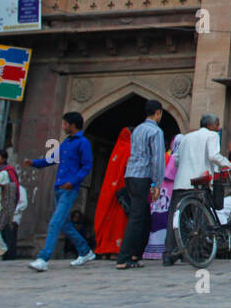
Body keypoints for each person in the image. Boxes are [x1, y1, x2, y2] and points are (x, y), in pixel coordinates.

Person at [24, 112, 95, 271]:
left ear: (72, 124)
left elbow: (87, 166)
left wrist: (74, 181)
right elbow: (51, 159)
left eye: (65, 124)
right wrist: (34, 163)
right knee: (64, 224)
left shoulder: (83, 142)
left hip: (69, 189)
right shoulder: (66, 143)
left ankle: (43, 258)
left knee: (55, 222)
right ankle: (85, 250)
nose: (63, 127)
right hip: (59, 187)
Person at [167, 115, 231, 265]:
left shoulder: (186, 138)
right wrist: (228, 164)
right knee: (200, 218)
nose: (218, 128)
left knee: (175, 218)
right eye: (217, 124)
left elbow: (176, 160)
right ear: (211, 125)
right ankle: (197, 251)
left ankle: (169, 253)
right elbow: (213, 155)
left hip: (181, 182)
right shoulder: (212, 135)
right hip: (198, 183)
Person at [116, 100, 165, 270]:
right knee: (137, 218)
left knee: (144, 217)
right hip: (142, 176)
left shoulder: (137, 130)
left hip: (131, 174)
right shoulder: (155, 131)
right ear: (158, 113)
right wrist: (157, 183)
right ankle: (123, 258)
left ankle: (135, 254)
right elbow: (157, 159)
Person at [93, 127, 133, 257]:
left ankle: (105, 249)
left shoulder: (117, 150)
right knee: (120, 222)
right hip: (123, 191)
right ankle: (116, 250)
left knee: (109, 220)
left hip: (111, 192)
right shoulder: (130, 150)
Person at [145, 135, 183, 261]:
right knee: (167, 220)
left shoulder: (165, 157)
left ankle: (153, 251)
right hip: (169, 193)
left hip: (160, 193)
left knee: (157, 220)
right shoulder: (175, 158)